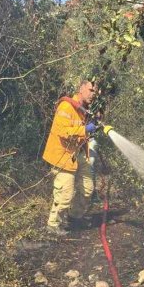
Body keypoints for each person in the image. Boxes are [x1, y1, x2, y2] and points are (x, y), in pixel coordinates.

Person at [41, 80, 105, 235]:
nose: (92, 94)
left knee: (88, 189)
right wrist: (85, 129)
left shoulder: (83, 109)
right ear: (81, 89)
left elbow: (81, 131)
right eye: (90, 90)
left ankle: (74, 217)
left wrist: (93, 125)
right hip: (63, 155)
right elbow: (63, 131)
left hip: (78, 154)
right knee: (65, 194)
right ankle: (53, 225)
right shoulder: (66, 106)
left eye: (94, 92)